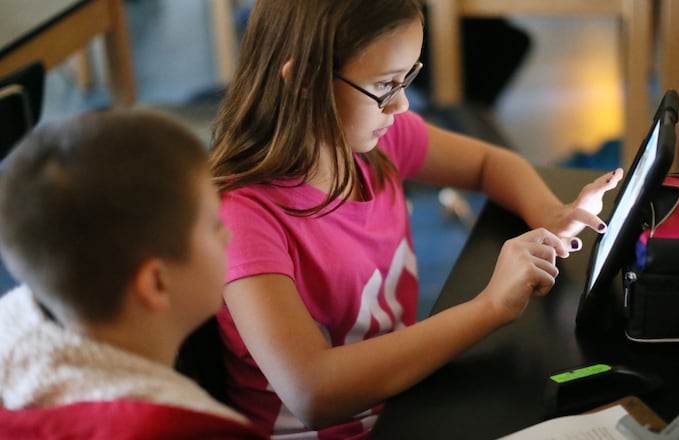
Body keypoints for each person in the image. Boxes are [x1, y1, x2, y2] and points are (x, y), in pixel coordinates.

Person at [208, 0, 624, 438]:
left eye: (408, 78)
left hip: (401, 401)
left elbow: (489, 164)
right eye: (385, 85)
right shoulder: (244, 217)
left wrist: (550, 214)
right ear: (303, 82)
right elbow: (313, 391)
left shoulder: (376, 143)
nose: (402, 104)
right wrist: (490, 306)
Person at [0, 109, 267, 439]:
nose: (228, 234)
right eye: (214, 225)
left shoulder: (13, 338)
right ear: (156, 283)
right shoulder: (199, 431)